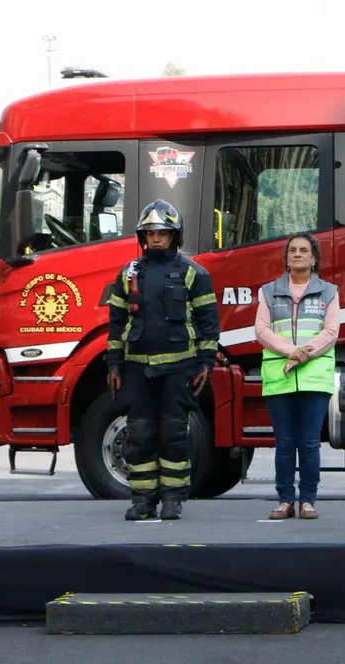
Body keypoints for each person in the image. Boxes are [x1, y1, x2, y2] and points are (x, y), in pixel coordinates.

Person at [105, 200, 221, 521]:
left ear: (175, 236)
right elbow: (116, 322)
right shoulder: (128, 274)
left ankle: (173, 499)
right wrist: (114, 364)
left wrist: (205, 363)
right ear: (143, 237)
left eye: (163, 233)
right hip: (136, 369)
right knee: (139, 435)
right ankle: (143, 500)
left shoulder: (193, 273)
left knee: (174, 434)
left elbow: (209, 323)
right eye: (151, 233)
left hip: (178, 369)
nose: (156, 239)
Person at [254, 233, 340, 520]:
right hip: (280, 376)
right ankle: (285, 500)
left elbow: (331, 332)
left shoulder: (329, 292)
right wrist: (292, 351)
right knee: (285, 442)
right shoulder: (268, 291)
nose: (298, 254)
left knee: (309, 441)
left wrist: (304, 354)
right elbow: (262, 330)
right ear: (286, 257)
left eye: (304, 250)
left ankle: (308, 500)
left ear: (314, 259)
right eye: (293, 250)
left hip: (314, 378)